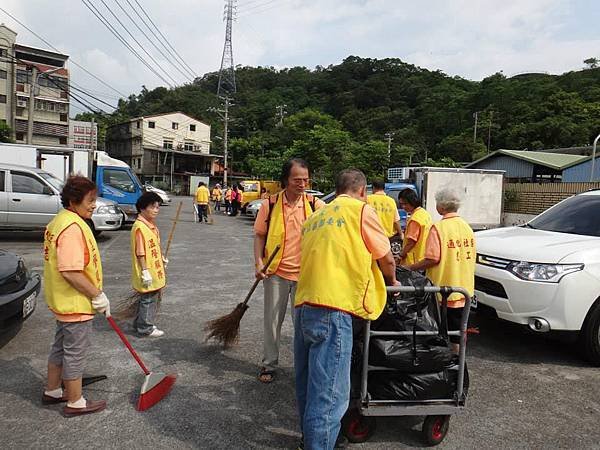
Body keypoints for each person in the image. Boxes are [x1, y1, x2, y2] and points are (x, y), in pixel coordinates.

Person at [294, 169, 399, 450]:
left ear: (337, 189)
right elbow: (386, 258)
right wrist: (392, 280)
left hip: (304, 306)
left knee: (309, 386)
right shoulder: (361, 211)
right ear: (362, 191)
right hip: (334, 308)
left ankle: (309, 440)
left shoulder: (316, 216)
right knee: (330, 394)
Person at [42, 175, 110, 416]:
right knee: (75, 354)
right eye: (90, 200)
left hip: (63, 301)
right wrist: (97, 295)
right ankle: (75, 401)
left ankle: (53, 390)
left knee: (60, 348)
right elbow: (70, 271)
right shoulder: (71, 228)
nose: (94, 204)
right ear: (73, 200)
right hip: (75, 303)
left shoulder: (61, 220)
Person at [253, 158, 325, 383]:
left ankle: (303, 367)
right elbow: (259, 236)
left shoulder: (316, 205)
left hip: (305, 276)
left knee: (303, 325)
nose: (302, 184)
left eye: (305, 179)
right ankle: (269, 365)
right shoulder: (270, 204)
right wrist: (258, 262)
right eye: (297, 180)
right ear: (286, 180)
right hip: (276, 273)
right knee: (273, 321)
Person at [407, 188, 475, 353]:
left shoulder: (439, 228)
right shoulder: (467, 227)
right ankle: (458, 360)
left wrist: (410, 268)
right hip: (464, 287)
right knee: (459, 328)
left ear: (442, 207)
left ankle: (450, 362)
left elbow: (432, 259)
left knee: (444, 330)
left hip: (444, 289)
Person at [131, 191, 167, 337]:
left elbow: (153, 248)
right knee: (148, 299)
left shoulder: (150, 226)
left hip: (154, 268)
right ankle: (145, 327)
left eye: (158, 207)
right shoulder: (140, 227)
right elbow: (141, 252)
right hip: (147, 271)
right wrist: (145, 271)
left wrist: (161, 258)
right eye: (153, 207)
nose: (156, 210)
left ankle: (139, 323)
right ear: (142, 208)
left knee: (147, 298)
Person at [398, 188, 432, 266]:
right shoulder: (424, 213)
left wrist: (401, 255)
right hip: (424, 256)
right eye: (401, 204)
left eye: (405, 204)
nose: (403, 207)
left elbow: (411, 242)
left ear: (412, 201)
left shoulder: (415, 219)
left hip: (414, 260)